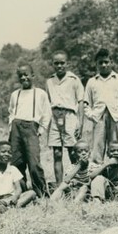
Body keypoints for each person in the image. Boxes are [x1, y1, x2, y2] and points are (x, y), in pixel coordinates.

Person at [8, 63, 51, 197]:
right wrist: (11, 128)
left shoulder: (40, 93)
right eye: (20, 75)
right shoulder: (16, 94)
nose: (24, 77)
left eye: (26, 74)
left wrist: (41, 130)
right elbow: (11, 112)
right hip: (16, 129)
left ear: (33, 75)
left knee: (34, 163)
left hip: (32, 128)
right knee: (16, 162)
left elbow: (47, 113)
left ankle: (41, 193)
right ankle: (21, 191)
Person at [84, 48, 118, 164]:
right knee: (97, 150)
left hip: (115, 117)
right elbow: (86, 103)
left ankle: (115, 176)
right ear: (96, 64)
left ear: (111, 62)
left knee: (116, 149)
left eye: (106, 62)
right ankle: (96, 176)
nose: (104, 65)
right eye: (100, 63)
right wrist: (92, 115)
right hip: (98, 118)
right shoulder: (92, 81)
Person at [46, 51, 85, 185]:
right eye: (56, 63)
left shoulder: (74, 80)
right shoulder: (50, 81)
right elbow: (48, 102)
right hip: (55, 116)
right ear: (52, 64)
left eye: (62, 63)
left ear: (67, 63)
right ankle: (59, 186)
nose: (59, 66)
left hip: (70, 116)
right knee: (57, 153)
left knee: (72, 152)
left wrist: (80, 122)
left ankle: (76, 182)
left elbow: (80, 101)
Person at [0, 141, 37, 208]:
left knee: (31, 193)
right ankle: (9, 207)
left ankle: (8, 207)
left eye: (9, 152)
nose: (6, 154)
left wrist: (15, 197)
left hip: (10, 198)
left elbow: (18, 189)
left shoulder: (13, 169)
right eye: (3, 152)